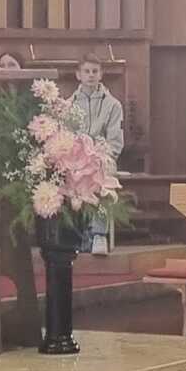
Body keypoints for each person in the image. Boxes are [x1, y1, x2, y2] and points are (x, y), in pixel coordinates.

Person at [68, 53, 124, 255]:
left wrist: (98, 156)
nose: (91, 75)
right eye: (86, 71)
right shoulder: (69, 105)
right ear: (78, 75)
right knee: (67, 175)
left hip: (101, 158)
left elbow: (115, 141)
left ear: (101, 74)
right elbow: (66, 137)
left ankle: (99, 234)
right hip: (76, 159)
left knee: (103, 177)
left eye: (95, 71)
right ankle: (79, 233)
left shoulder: (113, 105)